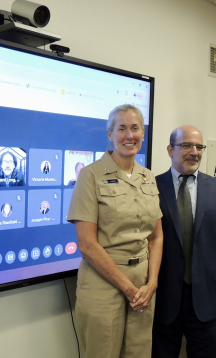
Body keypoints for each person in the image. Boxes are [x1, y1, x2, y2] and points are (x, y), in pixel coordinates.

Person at [67, 104, 163, 358]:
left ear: (143, 133)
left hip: (143, 284)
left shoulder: (148, 177)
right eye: (122, 129)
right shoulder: (90, 176)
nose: (129, 135)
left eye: (135, 128)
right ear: (110, 134)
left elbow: (156, 236)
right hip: (103, 283)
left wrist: (152, 282)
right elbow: (87, 244)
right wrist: (129, 289)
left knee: (139, 353)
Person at [152, 125, 216, 358]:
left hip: (208, 300)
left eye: (199, 146)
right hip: (163, 298)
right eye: (186, 145)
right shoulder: (151, 187)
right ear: (170, 149)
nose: (194, 151)